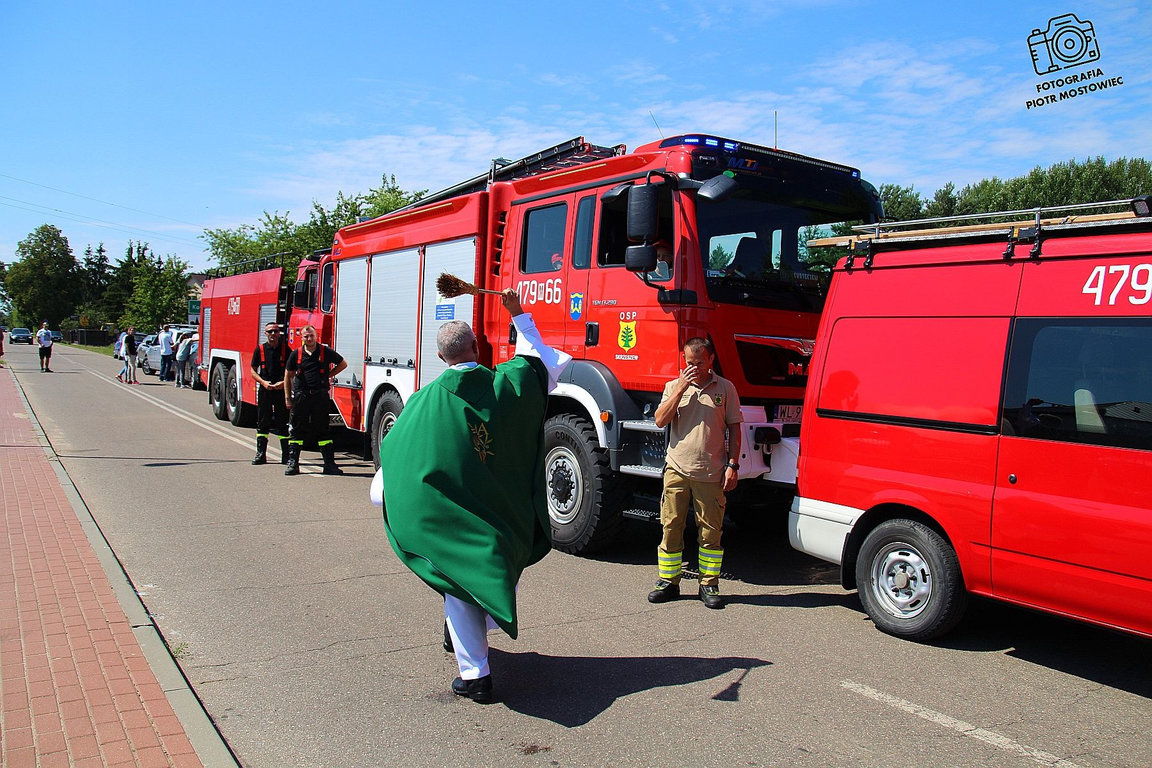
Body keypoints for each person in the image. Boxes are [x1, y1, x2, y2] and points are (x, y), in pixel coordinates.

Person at [375, 289, 571, 704]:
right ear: (477, 347)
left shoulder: (423, 402)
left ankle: (476, 676)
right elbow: (539, 359)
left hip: (454, 518)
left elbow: (395, 452)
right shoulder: (509, 384)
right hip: (501, 516)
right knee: (477, 574)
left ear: (439, 356)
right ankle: (464, 633)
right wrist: (517, 313)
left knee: (459, 578)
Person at [647, 337, 742, 609]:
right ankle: (668, 581)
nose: (694, 368)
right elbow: (660, 420)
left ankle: (709, 584)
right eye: (689, 362)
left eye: (699, 363)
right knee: (670, 526)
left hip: (711, 472)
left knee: (711, 532)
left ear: (711, 360)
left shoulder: (726, 388)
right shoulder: (673, 386)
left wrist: (732, 465)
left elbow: (735, 428)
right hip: (677, 469)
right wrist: (680, 388)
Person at [283, 325, 347, 475]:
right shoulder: (296, 354)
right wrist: (288, 398)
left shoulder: (325, 351)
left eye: (311, 335)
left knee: (323, 431)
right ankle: (293, 464)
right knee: (297, 431)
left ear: (316, 336)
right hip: (301, 397)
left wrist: (328, 375)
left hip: (320, 397)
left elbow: (343, 364)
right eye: (306, 336)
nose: (309, 339)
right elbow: (287, 376)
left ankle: (329, 465)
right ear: (301, 338)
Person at [250, 322, 290, 465]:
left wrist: (283, 383)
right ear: (265, 333)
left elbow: (292, 370)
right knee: (263, 422)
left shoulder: (286, 350)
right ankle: (261, 454)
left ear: (279, 333)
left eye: (275, 331)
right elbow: (253, 370)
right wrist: (263, 382)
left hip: (280, 390)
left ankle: (286, 456)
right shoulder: (260, 349)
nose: (273, 334)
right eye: (270, 331)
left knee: (282, 423)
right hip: (265, 390)